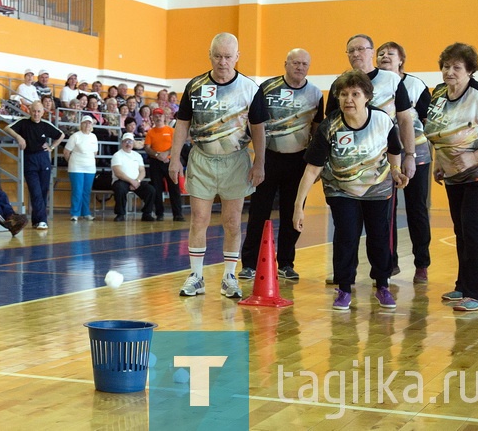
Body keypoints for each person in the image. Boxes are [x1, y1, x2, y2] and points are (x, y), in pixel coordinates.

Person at [293, 69, 407, 310]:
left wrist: (396, 171)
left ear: (367, 96)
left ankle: (383, 285)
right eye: (344, 94)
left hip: (377, 190)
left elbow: (394, 151)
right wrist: (298, 207)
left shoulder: (382, 120)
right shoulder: (330, 126)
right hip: (340, 189)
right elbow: (312, 170)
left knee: (378, 236)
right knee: (346, 236)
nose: (348, 99)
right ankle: (344, 288)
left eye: (355, 94)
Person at [169, 33, 263, 299]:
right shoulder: (195, 85)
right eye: (218, 56)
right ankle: (196, 277)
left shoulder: (250, 88)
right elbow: (182, 124)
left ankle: (229, 277)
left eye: (228, 56)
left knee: (232, 221)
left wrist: (260, 163)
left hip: (236, 161)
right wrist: (175, 158)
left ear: (237, 57)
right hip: (202, 159)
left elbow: (258, 129)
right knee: (199, 219)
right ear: (210, 55)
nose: (222, 62)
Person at [324, 34, 415, 282]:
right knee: (346, 227)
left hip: (383, 167)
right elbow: (330, 126)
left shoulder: (392, 80)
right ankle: (344, 277)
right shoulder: (338, 85)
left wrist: (409, 155)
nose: (356, 54)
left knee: (380, 226)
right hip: (346, 170)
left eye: (361, 49)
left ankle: (383, 274)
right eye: (351, 50)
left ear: (372, 51)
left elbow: (405, 119)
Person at [424, 43, 478, 311]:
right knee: (461, 230)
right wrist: (438, 162)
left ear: (470, 71)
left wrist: (475, 157)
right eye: (446, 66)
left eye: (457, 67)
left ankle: (477, 294)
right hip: (454, 174)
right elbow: (439, 131)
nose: (450, 71)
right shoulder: (440, 94)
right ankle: (462, 287)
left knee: (474, 228)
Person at [237, 48, 323, 282]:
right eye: (295, 62)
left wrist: (314, 165)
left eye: (304, 63)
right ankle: (249, 264)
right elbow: (255, 124)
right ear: (285, 63)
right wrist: (259, 161)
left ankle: (286, 263)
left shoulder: (316, 94)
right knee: (258, 212)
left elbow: (317, 131)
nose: (300, 67)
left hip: (299, 161)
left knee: (293, 213)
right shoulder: (267, 88)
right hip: (269, 158)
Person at [377, 41, 433, 284]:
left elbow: (428, 120)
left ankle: (421, 263)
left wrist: (411, 152)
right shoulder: (373, 84)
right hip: (385, 157)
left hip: (416, 155)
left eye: (391, 54)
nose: (385, 57)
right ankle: (391, 263)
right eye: (381, 54)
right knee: (386, 212)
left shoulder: (415, 85)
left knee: (416, 209)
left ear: (402, 60)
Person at [6, 102, 64, 229]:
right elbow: (7, 128)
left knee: (43, 191)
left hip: (43, 159)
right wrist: (19, 138)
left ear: (43, 112)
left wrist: (52, 147)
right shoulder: (23, 122)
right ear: (29, 111)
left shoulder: (45, 125)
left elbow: (61, 135)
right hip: (29, 159)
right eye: (34, 111)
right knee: (35, 191)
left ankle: (37, 221)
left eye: (38, 111)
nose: (36, 114)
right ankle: (43, 220)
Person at [144, 108, 184, 222]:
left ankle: (178, 214)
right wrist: (157, 155)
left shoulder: (171, 130)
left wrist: (166, 154)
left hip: (169, 161)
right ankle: (159, 213)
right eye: (156, 115)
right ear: (152, 118)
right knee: (157, 188)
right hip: (155, 162)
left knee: (174, 187)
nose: (158, 117)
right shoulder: (150, 132)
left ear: (164, 117)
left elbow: (177, 144)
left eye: (160, 115)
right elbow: (147, 147)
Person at [111, 132, 155, 221]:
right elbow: (118, 172)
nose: (128, 144)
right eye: (126, 142)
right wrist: (132, 181)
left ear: (133, 143)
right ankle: (120, 214)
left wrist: (137, 181)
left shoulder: (137, 155)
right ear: (122, 143)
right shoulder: (117, 155)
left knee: (151, 190)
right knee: (119, 188)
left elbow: (142, 171)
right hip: (122, 180)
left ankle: (147, 214)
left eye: (130, 142)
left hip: (136, 181)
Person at [63, 115, 98, 221]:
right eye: (85, 122)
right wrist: (72, 162)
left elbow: (94, 153)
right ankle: (75, 213)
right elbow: (66, 152)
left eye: (89, 123)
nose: (87, 125)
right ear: (81, 124)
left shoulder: (93, 137)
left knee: (86, 191)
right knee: (77, 190)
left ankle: (86, 212)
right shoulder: (75, 136)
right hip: (76, 168)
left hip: (90, 168)